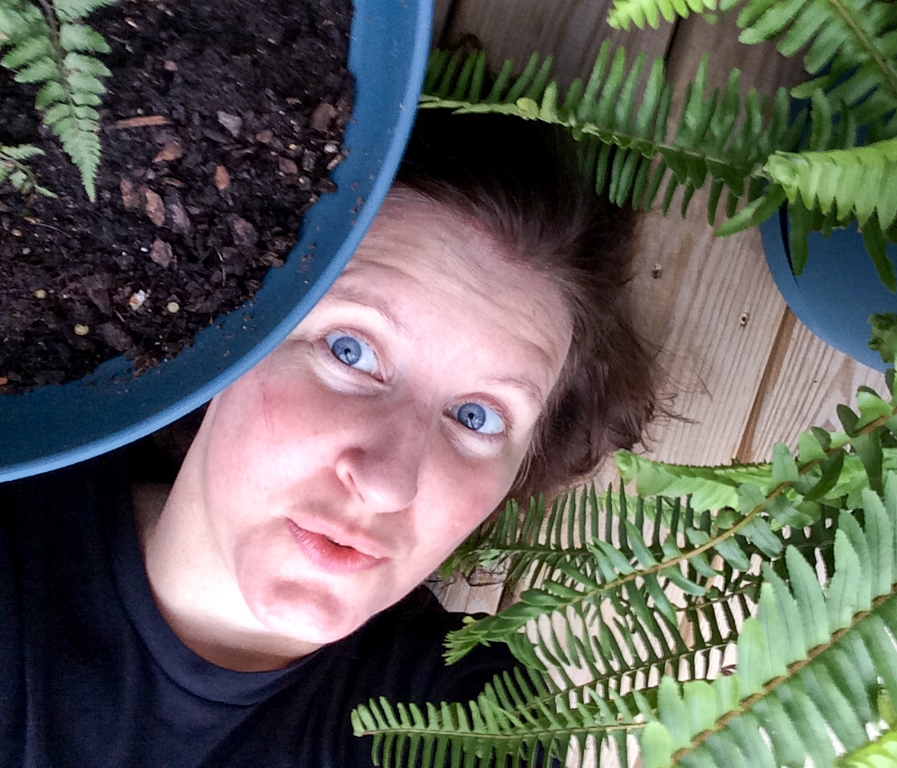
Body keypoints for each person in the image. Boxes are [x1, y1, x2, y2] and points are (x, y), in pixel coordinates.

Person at [0, 111, 659, 766]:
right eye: (351, 350)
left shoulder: (463, 720)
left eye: (476, 417)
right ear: (230, 325)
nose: (385, 482)